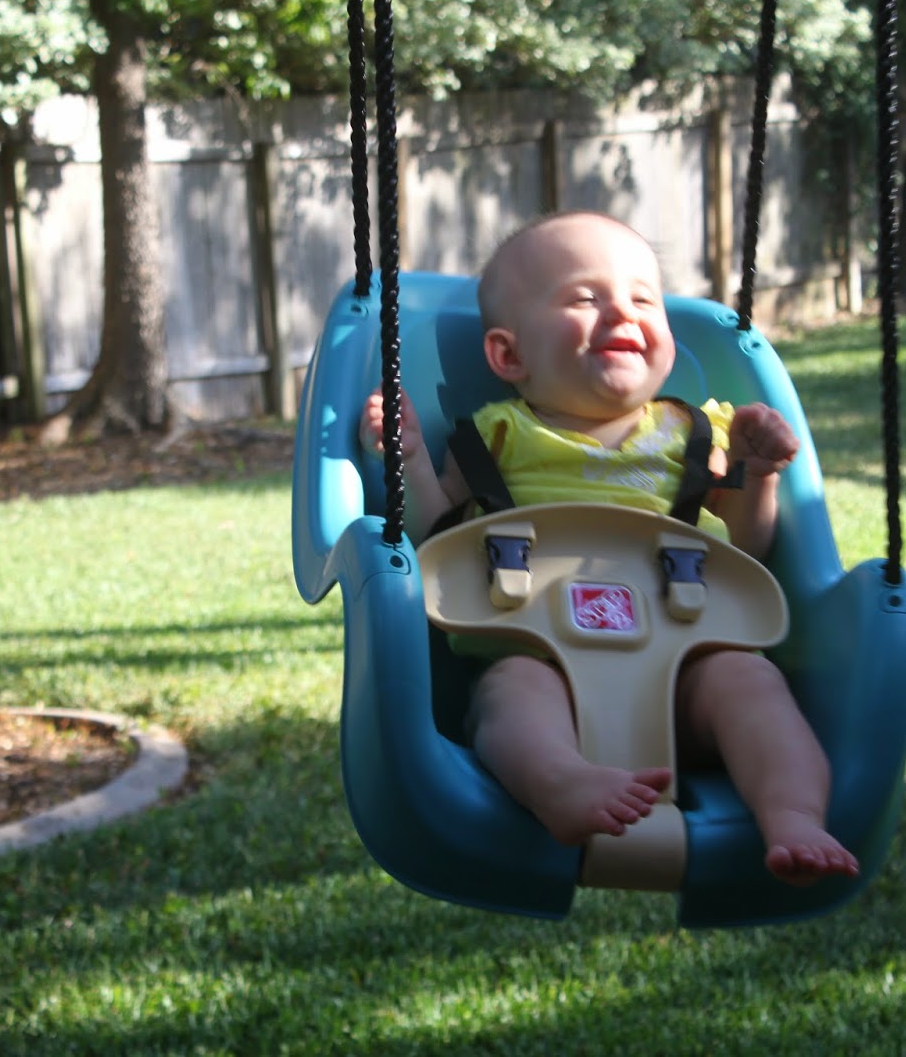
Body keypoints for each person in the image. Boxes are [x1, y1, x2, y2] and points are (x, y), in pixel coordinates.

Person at [363, 211, 858, 885]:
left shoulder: (700, 433)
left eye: (643, 299)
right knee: (509, 695)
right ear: (509, 357)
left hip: (688, 664)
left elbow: (746, 551)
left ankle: (794, 815)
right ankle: (561, 781)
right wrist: (412, 460)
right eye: (585, 298)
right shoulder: (493, 437)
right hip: (545, 655)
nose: (623, 312)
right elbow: (441, 538)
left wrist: (757, 472)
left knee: (753, 684)